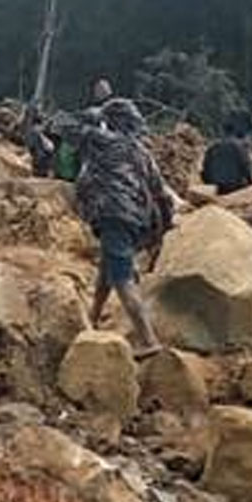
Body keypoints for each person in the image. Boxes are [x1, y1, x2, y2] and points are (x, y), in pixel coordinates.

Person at [77, 98, 172, 358]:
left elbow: (79, 127)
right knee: (107, 271)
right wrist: (163, 228)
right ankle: (92, 318)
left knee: (122, 280)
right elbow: (161, 192)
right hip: (135, 219)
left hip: (113, 214)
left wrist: (97, 116)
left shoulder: (101, 142)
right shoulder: (141, 152)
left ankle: (148, 339)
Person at [201, 118, 252, 196]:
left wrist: (209, 183)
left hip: (216, 186)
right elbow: (246, 168)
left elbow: (205, 168)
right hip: (235, 186)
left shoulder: (213, 147)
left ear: (222, 132)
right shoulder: (239, 148)